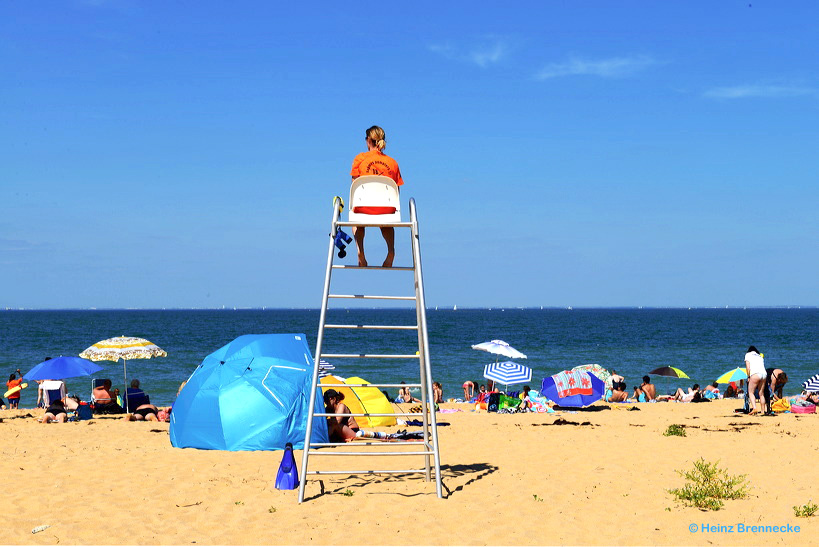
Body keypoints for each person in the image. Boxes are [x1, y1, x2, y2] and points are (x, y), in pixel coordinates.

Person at [350, 125, 404, 268]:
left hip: (364, 209)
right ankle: (391, 251)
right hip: (386, 210)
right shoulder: (393, 163)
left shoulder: (360, 159)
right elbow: (396, 192)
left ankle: (360, 251)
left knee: (357, 219)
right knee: (386, 222)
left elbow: (354, 188)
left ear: (368, 140)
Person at [745, 346, 767, 415]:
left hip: (755, 374)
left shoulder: (748, 355)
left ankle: (754, 408)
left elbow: (748, 368)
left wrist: (748, 377)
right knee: (761, 394)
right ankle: (763, 411)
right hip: (764, 374)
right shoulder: (759, 356)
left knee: (751, 392)